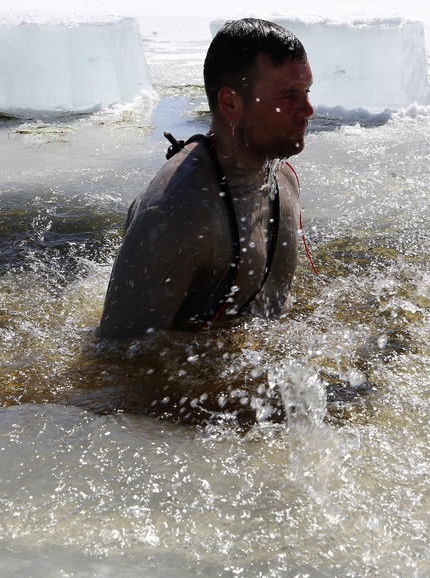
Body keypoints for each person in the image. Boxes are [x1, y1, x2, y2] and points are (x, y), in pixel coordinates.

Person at [99, 18, 314, 339]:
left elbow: (275, 316)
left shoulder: (283, 178)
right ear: (230, 103)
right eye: (288, 96)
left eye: (307, 91)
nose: (308, 109)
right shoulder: (175, 213)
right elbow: (116, 363)